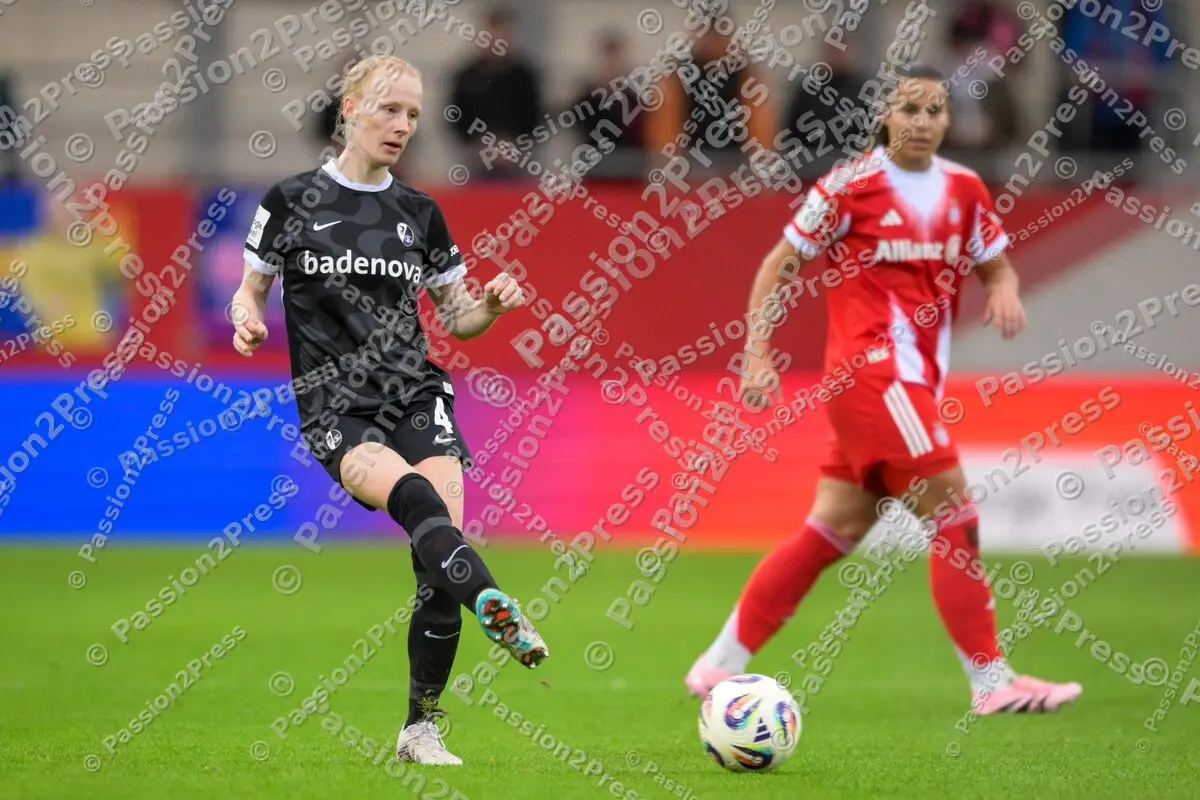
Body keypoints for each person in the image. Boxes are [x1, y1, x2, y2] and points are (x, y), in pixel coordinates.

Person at [685, 66, 1083, 715]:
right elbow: (778, 267)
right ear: (884, 117)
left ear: (948, 119)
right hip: (875, 376)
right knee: (954, 515)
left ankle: (717, 666)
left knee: (834, 528)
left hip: (908, 383)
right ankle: (992, 683)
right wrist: (756, 353)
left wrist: (1005, 289)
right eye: (909, 109)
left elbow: (997, 265)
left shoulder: (965, 189)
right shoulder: (848, 188)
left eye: (934, 110)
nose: (921, 122)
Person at [229, 54, 549, 766]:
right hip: (336, 408)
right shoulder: (291, 200)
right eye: (388, 109)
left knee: (438, 561)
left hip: (415, 395)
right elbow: (251, 289)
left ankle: (420, 729)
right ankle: (496, 603)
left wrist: (490, 307)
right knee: (418, 505)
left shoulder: (419, 213)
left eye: (412, 114)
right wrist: (245, 317)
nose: (402, 125)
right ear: (350, 109)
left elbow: (458, 319)